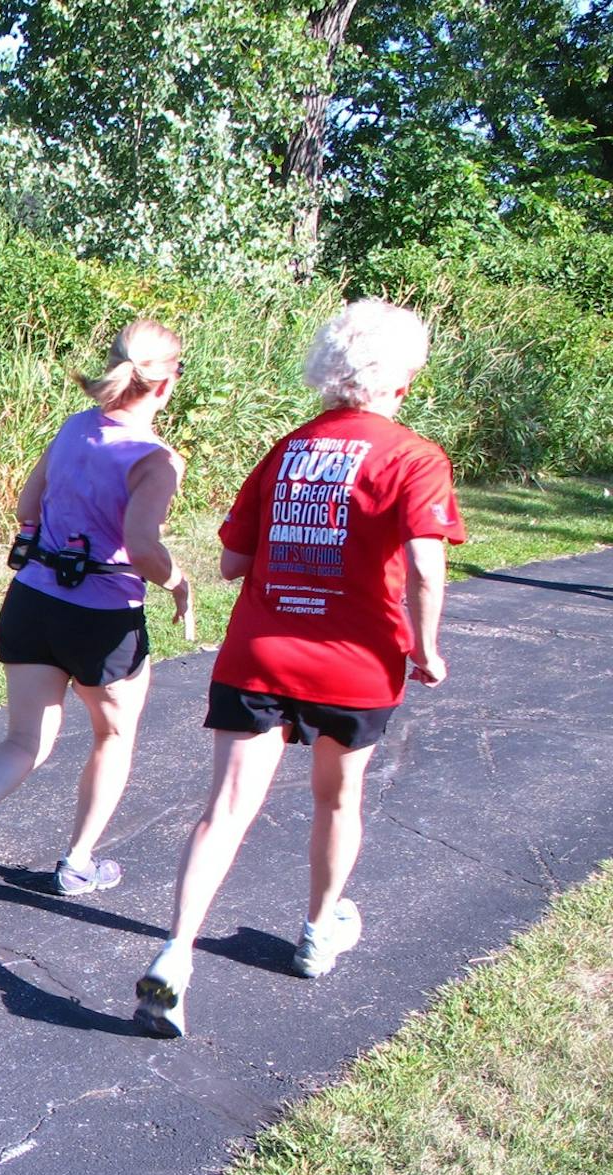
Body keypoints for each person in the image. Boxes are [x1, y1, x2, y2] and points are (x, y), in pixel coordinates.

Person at [134, 298, 464, 1039]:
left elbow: (233, 561)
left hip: (260, 652)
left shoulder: (287, 450)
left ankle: (176, 955)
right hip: (355, 662)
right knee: (337, 800)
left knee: (224, 811)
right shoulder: (415, 458)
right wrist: (426, 647)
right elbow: (424, 566)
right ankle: (318, 933)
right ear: (403, 380)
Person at [0, 320, 195, 906]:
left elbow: (27, 506)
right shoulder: (157, 460)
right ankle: (78, 864)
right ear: (166, 383)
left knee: (24, 739)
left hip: (33, 600)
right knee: (113, 734)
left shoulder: (74, 427)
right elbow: (142, 548)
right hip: (102, 618)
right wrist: (179, 583)